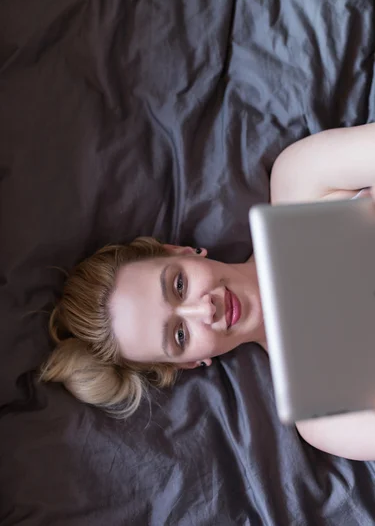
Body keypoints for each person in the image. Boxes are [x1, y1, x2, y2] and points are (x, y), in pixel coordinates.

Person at [41, 122, 375, 461]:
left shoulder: (300, 180)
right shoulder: (326, 416)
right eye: (181, 335)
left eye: (179, 285)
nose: (205, 310)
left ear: (180, 251)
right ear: (190, 363)